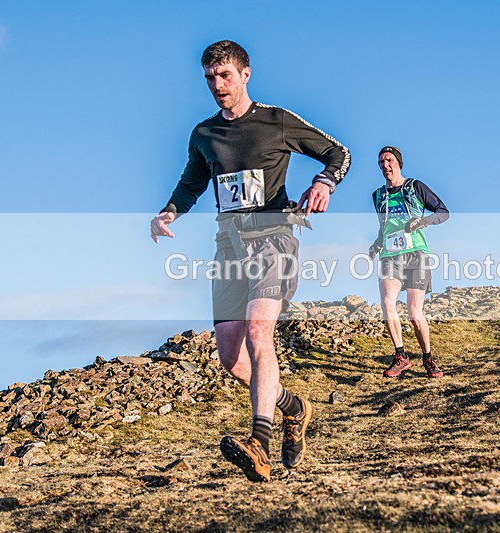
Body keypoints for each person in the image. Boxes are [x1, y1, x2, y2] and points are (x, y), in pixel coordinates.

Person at [150, 41, 351, 482]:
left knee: (261, 332)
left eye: (225, 76)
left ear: (245, 74)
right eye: (209, 78)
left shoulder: (276, 121)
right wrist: (169, 212)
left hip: (274, 238)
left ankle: (258, 442)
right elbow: (191, 183)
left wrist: (324, 183)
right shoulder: (204, 134)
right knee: (231, 359)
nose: (217, 85)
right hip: (229, 249)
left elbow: (339, 152)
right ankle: (294, 408)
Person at [368, 146, 449, 378]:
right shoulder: (377, 196)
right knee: (387, 303)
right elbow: (385, 226)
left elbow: (444, 212)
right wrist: (376, 243)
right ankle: (401, 356)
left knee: (414, 313)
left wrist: (422, 222)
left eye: (389, 160)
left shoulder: (415, 187)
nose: (385, 165)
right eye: (381, 162)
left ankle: (428, 358)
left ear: (399, 163)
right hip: (389, 255)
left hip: (416, 254)